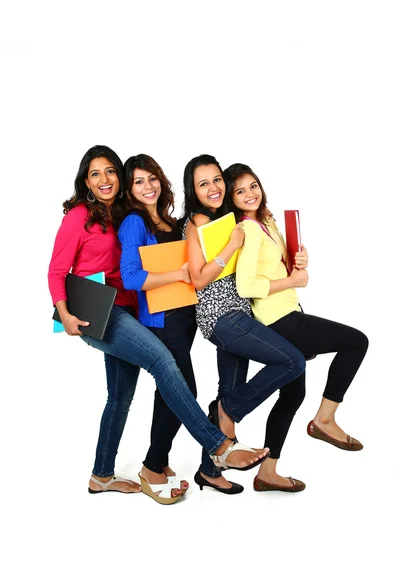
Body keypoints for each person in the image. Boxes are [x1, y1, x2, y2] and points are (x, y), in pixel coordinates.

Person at [48, 145, 269, 506]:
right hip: (98, 309)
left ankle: (102, 475)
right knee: (164, 366)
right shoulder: (86, 217)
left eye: (111, 173)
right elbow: (60, 270)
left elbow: (134, 269)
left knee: (119, 398)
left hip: (127, 308)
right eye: (95, 173)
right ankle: (218, 446)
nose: (105, 180)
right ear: (86, 181)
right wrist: (65, 313)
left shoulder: (120, 216)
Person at [224, 162, 369, 492]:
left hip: (288, 312)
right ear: (232, 199)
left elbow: (278, 267)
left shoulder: (266, 222)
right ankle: (324, 420)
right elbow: (247, 285)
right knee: (356, 342)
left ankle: (267, 472)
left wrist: (297, 260)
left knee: (293, 394)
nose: (250, 194)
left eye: (253, 186)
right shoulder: (246, 229)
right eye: (240, 191)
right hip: (279, 319)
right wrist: (291, 279)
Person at [181, 154, 306, 495]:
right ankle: (228, 412)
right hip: (221, 317)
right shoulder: (197, 223)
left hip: (243, 312)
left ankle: (209, 470)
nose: (212, 188)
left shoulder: (230, 217)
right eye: (202, 183)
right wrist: (232, 244)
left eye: (216, 180)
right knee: (292, 360)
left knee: (229, 387)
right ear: (193, 191)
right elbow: (198, 279)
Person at [118, 153, 197, 501]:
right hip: (160, 320)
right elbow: (131, 276)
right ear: (130, 189)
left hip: (184, 317)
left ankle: (160, 458)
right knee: (186, 391)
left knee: (166, 393)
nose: (147, 186)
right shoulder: (135, 222)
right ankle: (151, 466)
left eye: (151, 178)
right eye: (138, 181)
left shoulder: (168, 220)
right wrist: (177, 275)